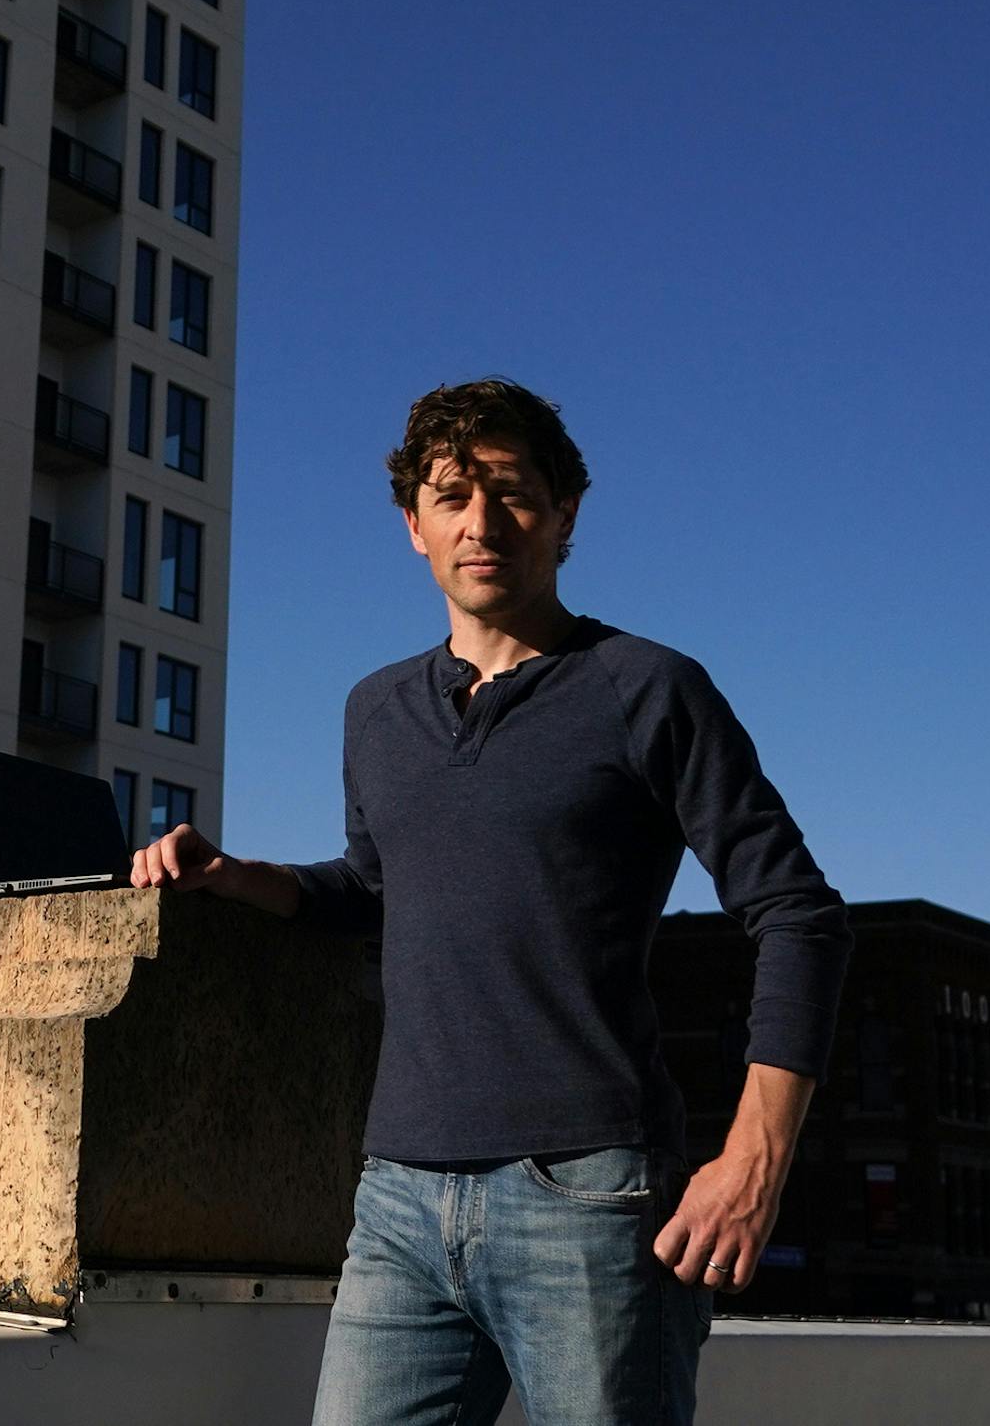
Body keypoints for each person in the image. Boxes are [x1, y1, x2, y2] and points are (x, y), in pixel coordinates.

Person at [129, 379, 852, 1424]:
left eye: (511, 493)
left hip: (592, 1197)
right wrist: (238, 877)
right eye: (452, 493)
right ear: (412, 524)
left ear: (564, 517)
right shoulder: (375, 709)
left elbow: (799, 913)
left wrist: (754, 1158)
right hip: (397, 1198)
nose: (481, 520)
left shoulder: (646, 687)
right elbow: (378, 888)